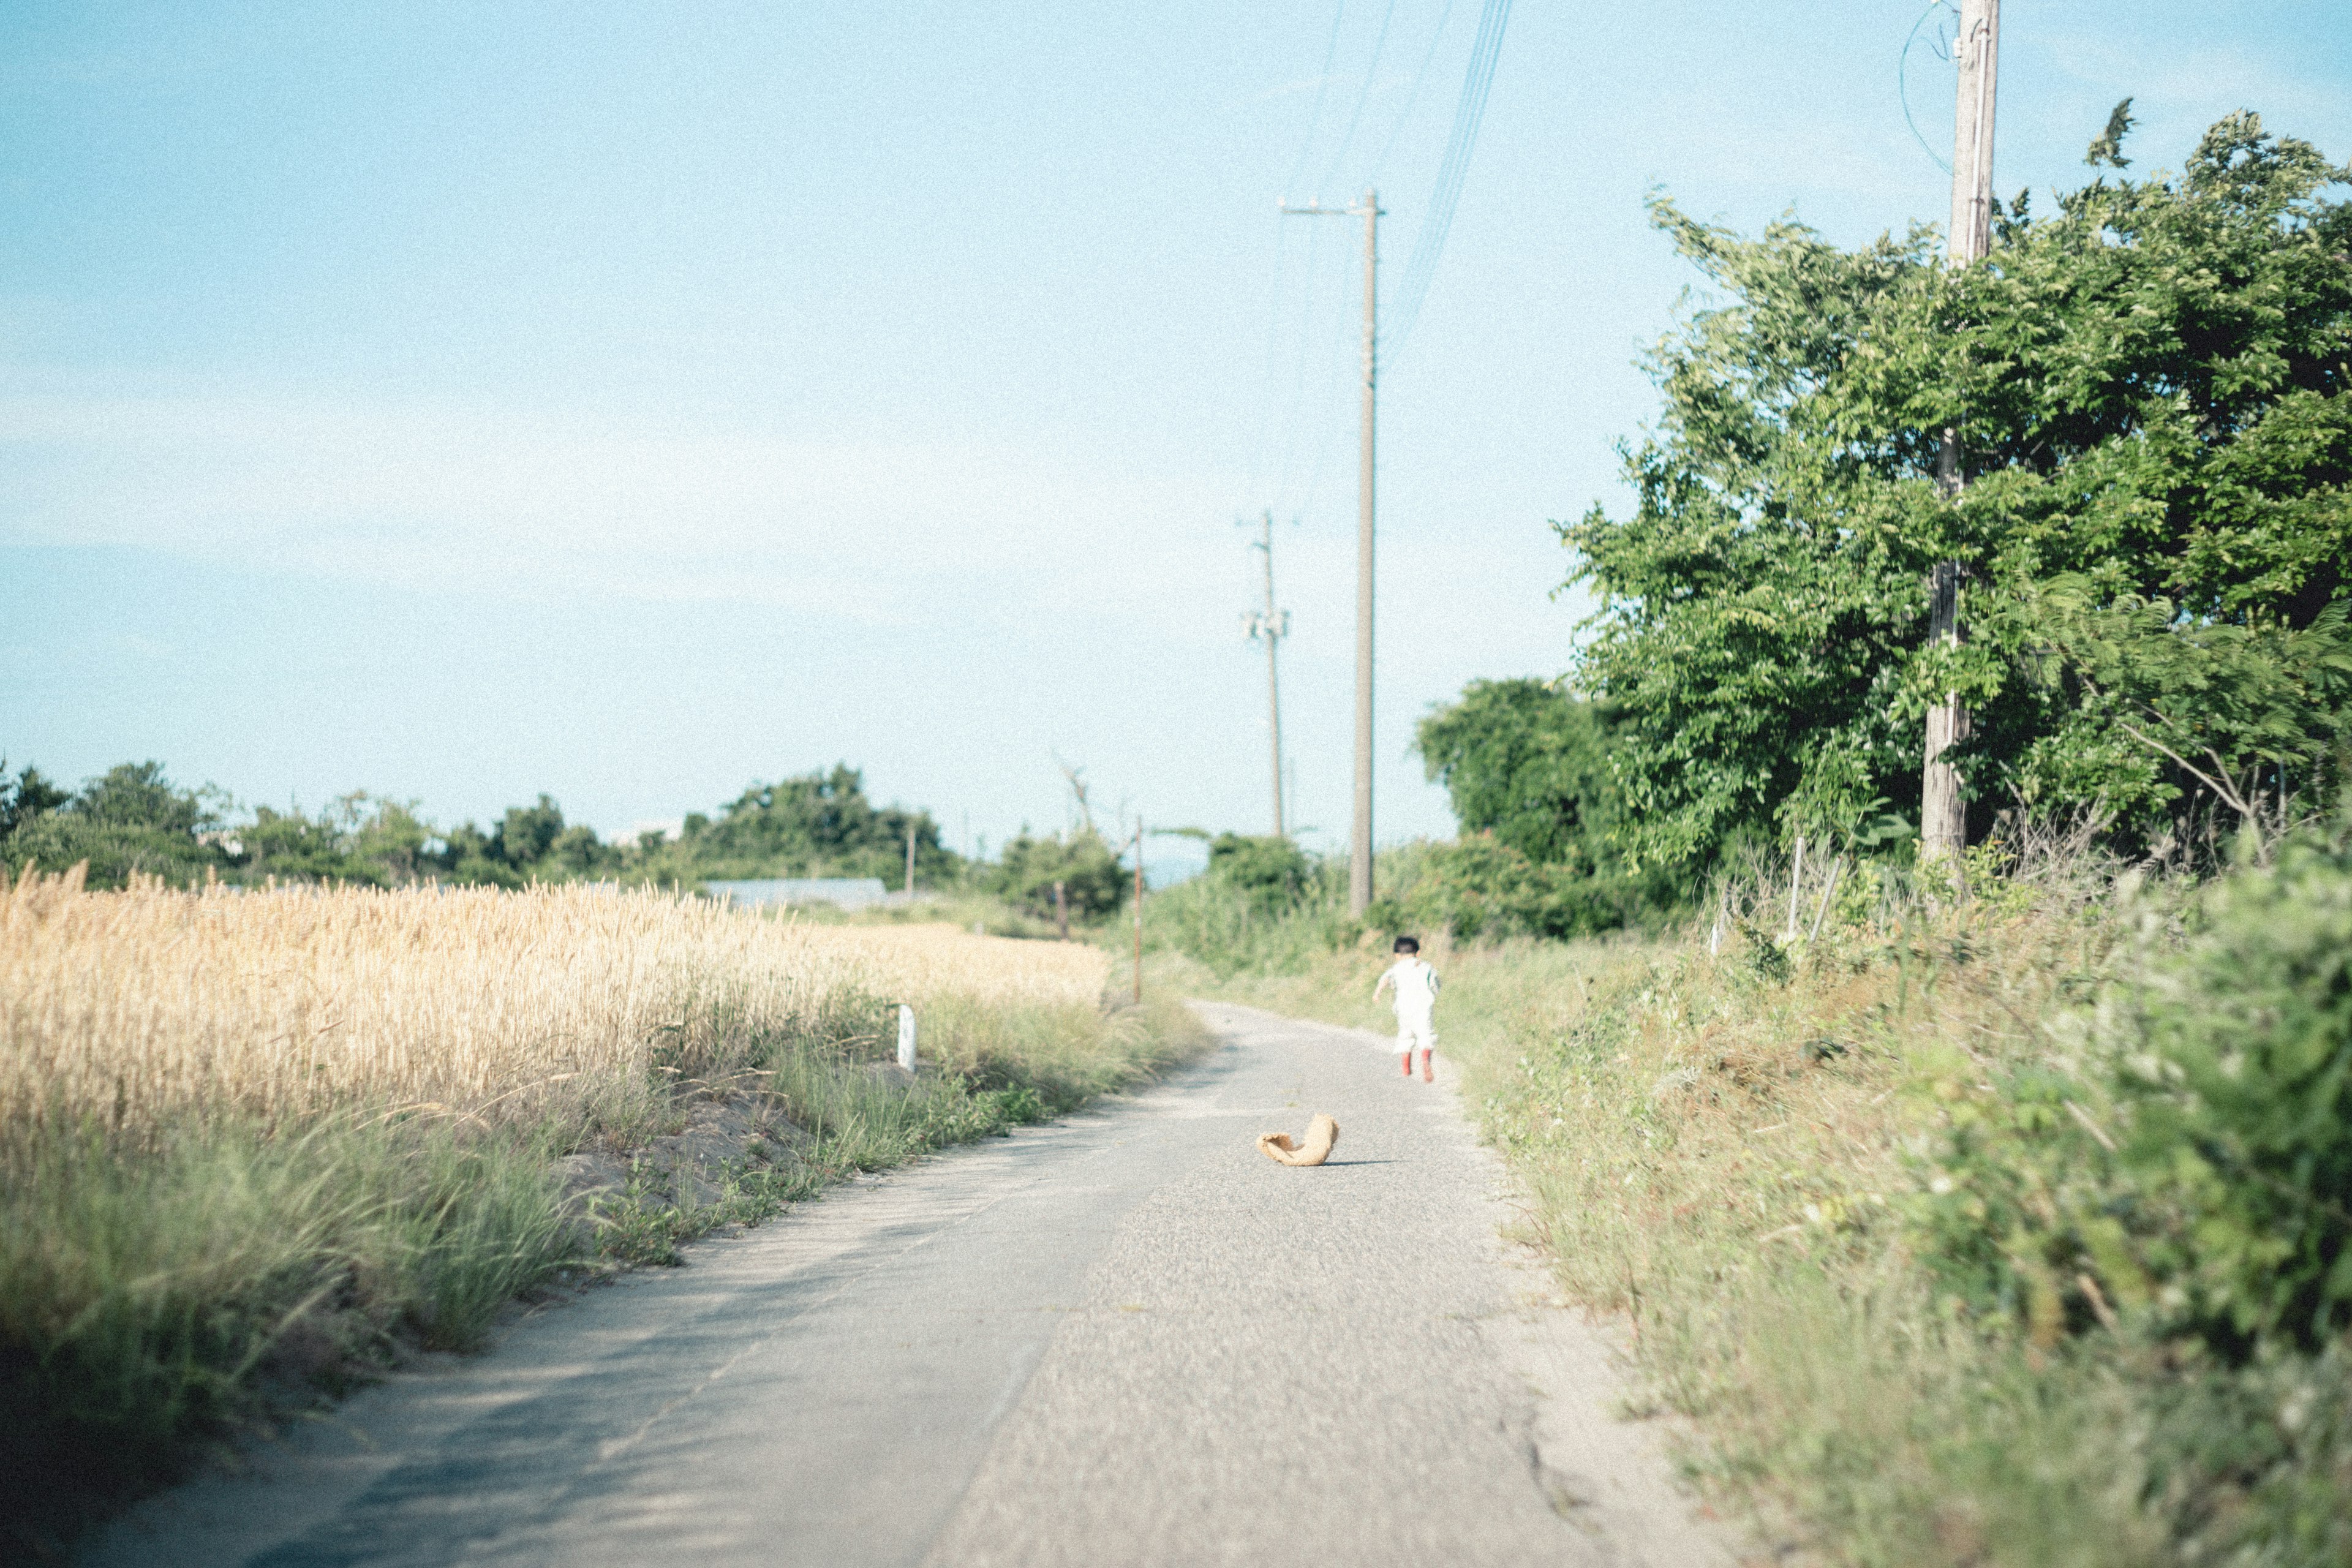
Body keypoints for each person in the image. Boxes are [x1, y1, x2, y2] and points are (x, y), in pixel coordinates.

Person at [1373, 935, 1440, 1082]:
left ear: (1396, 955)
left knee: (1406, 1034)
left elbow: (1385, 979)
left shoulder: (1396, 968)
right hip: (1423, 1006)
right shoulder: (1426, 966)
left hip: (1404, 1007)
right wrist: (1435, 992)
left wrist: (1377, 993)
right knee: (1426, 1035)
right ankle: (1425, 1060)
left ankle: (1406, 1068)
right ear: (1418, 953)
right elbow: (1435, 983)